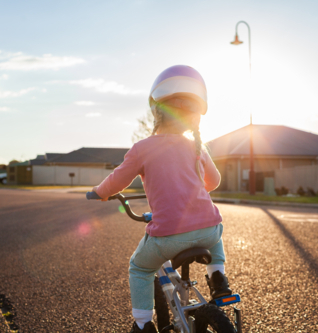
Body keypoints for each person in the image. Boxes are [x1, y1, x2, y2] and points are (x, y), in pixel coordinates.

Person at [91, 65, 232, 333]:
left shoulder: (142, 149)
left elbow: (118, 181)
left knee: (140, 268)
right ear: (195, 117)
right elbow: (213, 182)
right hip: (208, 233)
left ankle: (143, 325)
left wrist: (100, 192)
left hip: (167, 237)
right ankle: (218, 278)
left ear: (156, 112)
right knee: (214, 224)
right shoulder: (197, 147)